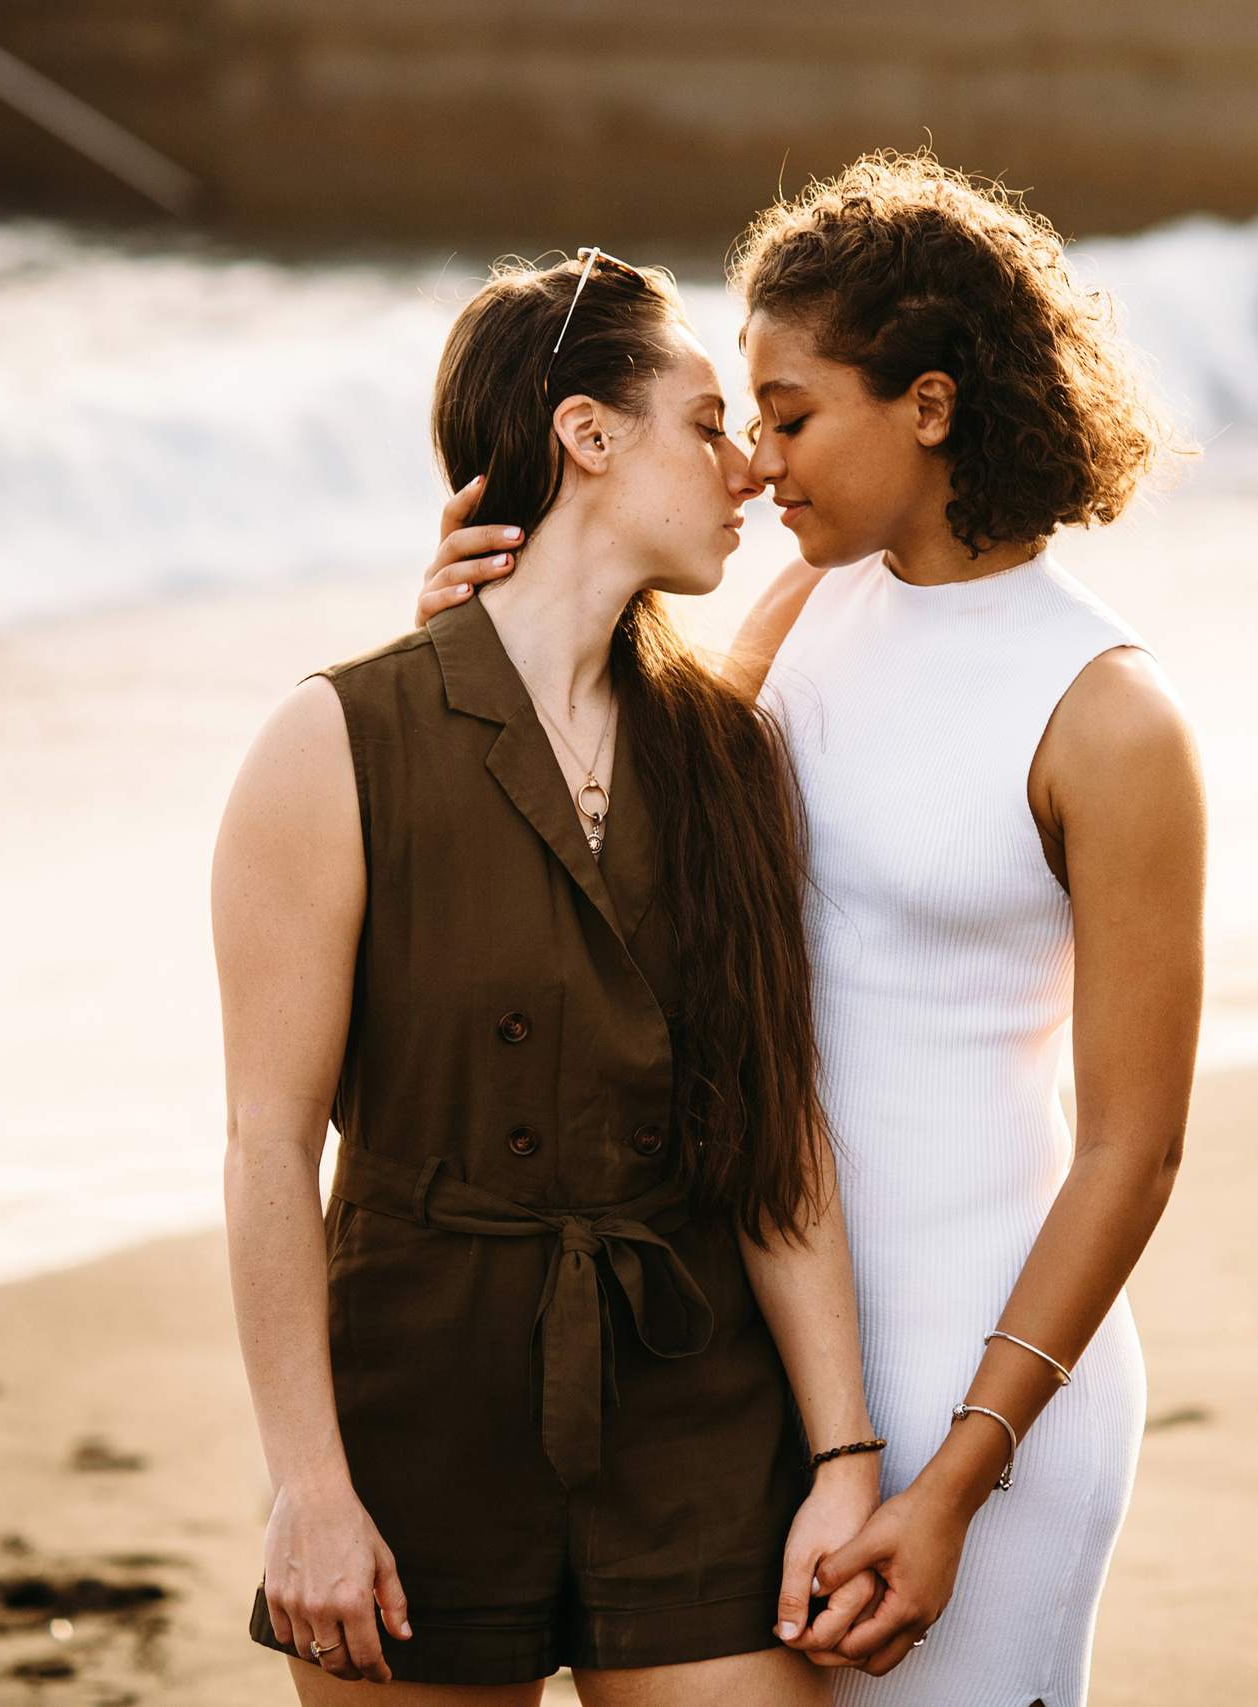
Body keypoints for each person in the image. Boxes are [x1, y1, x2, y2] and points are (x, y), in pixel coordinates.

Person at [419, 156, 1204, 1707]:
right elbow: (593, 873)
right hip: (769, 1365)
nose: (758, 462)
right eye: (745, 421)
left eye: (790, 415)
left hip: (984, 1383)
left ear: (927, 403)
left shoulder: (1109, 716)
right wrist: (469, 651)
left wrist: (958, 1478)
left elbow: (1134, 1152)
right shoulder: (794, 618)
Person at [216, 249, 881, 1703]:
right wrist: (308, 1488)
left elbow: (777, 1130)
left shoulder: (726, 754)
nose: (749, 469)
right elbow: (270, 1144)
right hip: (421, 1404)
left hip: (690, 1390)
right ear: (587, 434)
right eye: (708, 424)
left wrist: (843, 1459)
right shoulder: (335, 744)